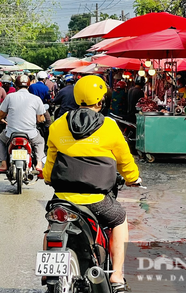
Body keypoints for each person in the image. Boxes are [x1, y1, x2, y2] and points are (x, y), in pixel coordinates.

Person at [43, 75, 141, 292]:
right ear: (101, 100)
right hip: (96, 200)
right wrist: (133, 179)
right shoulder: (109, 126)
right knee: (120, 219)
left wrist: (48, 177)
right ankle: (116, 276)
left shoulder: (58, 124)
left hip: (63, 200)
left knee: (51, 226)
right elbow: (125, 161)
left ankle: (47, 274)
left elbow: (50, 162)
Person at [0, 74, 46, 173]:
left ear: (16, 86)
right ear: (29, 86)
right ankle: (39, 164)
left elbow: (1, 114)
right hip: (31, 134)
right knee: (40, 142)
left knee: (0, 141)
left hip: (11, 133)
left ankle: (3, 164)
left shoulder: (10, 97)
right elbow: (40, 119)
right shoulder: (36, 99)